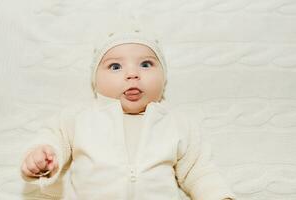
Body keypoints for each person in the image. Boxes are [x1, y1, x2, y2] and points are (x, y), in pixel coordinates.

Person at [20, 29, 236, 200]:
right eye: (115, 66)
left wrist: (217, 195)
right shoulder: (80, 118)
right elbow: (53, 138)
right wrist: (42, 156)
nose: (132, 74)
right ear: (95, 81)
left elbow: (199, 171)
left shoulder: (176, 123)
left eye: (146, 64)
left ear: (164, 78)